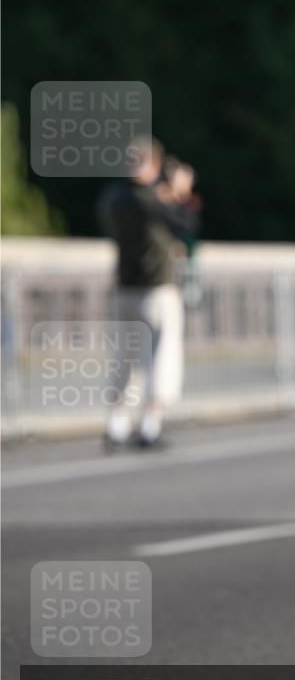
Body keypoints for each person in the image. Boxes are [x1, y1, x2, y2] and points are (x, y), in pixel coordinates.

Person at [97, 136, 201, 449]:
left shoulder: (113, 197)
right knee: (162, 357)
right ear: (152, 163)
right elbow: (186, 224)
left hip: (124, 287)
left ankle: (117, 423)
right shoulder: (151, 198)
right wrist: (180, 192)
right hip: (157, 288)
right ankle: (149, 424)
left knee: (123, 358)